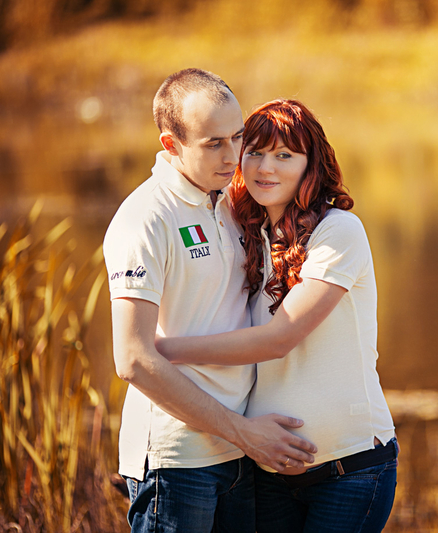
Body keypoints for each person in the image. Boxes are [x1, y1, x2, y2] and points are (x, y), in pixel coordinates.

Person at [155, 99, 398, 532]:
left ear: (311, 165)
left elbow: (279, 338)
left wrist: (160, 351)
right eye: (255, 152)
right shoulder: (247, 237)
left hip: (350, 470)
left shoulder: (338, 231)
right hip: (269, 476)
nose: (265, 168)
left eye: (284, 155)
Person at [103, 70, 316, 533]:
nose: (232, 155)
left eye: (238, 137)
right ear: (172, 144)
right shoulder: (145, 219)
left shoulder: (230, 203)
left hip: (238, 456)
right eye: (213, 143)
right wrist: (245, 433)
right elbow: (133, 359)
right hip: (177, 462)